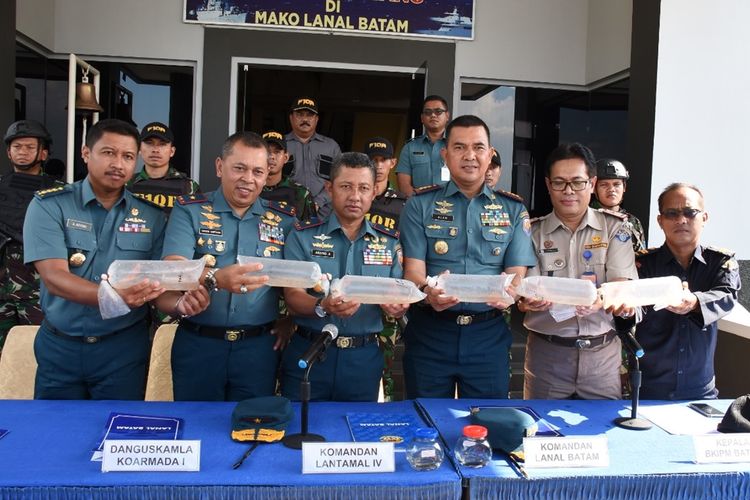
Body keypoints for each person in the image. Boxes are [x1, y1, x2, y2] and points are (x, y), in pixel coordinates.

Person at [23, 119, 168, 399]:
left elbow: (158, 278)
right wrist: (114, 296)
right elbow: (54, 278)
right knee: (57, 432)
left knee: (118, 433)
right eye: (108, 153)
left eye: (127, 156)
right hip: (61, 347)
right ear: (86, 153)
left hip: (123, 349)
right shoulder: (49, 205)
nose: (118, 163)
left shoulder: (151, 215)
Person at [400, 115, 537, 399]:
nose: (470, 156)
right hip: (430, 332)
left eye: (478, 147)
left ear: (490, 155)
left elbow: (517, 274)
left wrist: (510, 292)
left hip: (487, 334)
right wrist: (427, 292)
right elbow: (413, 272)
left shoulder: (513, 210)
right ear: (445, 155)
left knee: (489, 423)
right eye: (460, 147)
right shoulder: (419, 205)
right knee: (427, 422)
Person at [157, 131, 297, 401]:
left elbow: (297, 280)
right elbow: (173, 268)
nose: (248, 178)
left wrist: (290, 320)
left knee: (252, 431)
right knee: (197, 427)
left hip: (258, 349)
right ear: (220, 167)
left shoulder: (284, 220)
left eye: (258, 171)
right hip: (199, 344)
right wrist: (216, 278)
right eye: (240, 168)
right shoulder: (189, 210)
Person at [280, 152, 407, 402]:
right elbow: (293, 298)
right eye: (346, 187)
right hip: (310, 352)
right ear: (329, 188)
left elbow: (398, 297)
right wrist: (322, 306)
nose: (355, 196)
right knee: (300, 431)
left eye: (363, 188)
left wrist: (398, 308)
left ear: (374, 193)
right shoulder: (302, 237)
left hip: (363, 358)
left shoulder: (389, 242)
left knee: (356, 434)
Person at [518, 143, 637, 400]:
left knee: (602, 434)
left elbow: (621, 285)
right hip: (548, 357)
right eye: (559, 183)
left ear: (592, 183)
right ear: (548, 186)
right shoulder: (531, 233)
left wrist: (601, 299)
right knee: (542, 434)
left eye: (577, 182)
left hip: (601, 358)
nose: (568, 191)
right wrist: (529, 300)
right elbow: (529, 288)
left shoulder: (615, 228)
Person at [636, 183, 739, 400]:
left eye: (690, 212)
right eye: (671, 213)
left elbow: (728, 294)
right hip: (647, 388)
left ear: (704, 217)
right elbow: (630, 307)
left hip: (701, 390)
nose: (681, 220)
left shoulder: (719, 261)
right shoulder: (642, 264)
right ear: (660, 221)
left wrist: (694, 302)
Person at [0, 120, 64, 351]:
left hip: (39, 290)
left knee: (36, 352)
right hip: (3, 288)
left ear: (43, 153)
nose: (22, 152)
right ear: (8, 152)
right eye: (17, 147)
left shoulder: (60, 192)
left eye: (29, 147)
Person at [362, 136, 408, 400]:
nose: (378, 165)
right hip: (356, 292)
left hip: (387, 299)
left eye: (383, 160)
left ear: (393, 163)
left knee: (383, 367)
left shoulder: (403, 204)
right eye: (373, 159)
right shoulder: (355, 199)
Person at [284, 97, 341, 217]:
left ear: (316, 119)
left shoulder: (331, 146)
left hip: (324, 212)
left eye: (309, 115)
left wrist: (318, 201)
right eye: (300, 114)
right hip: (287, 210)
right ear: (291, 118)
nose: (305, 119)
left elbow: (339, 178)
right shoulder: (280, 146)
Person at [127, 122, 200, 214]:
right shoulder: (127, 184)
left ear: (172, 151)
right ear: (139, 149)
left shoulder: (189, 187)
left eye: (162, 144)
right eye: (149, 143)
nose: (155, 150)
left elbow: (197, 221)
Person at [396, 95, 450, 195]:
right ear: (422, 118)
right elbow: (404, 184)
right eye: (428, 112)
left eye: (438, 111)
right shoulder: (410, 147)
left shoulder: (456, 146)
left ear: (447, 116)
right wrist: (418, 204)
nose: (433, 115)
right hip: (419, 206)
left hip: (451, 206)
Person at [260, 130, 317, 220]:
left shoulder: (301, 192)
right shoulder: (250, 188)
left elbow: (309, 230)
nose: (272, 156)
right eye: (267, 152)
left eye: (277, 152)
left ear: (286, 158)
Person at [592, 158, 646, 252]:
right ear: (594, 188)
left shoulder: (633, 222)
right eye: (604, 185)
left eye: (616, 184)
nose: (611, 189)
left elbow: (640, 260)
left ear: (624, 187)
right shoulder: (584, 218)